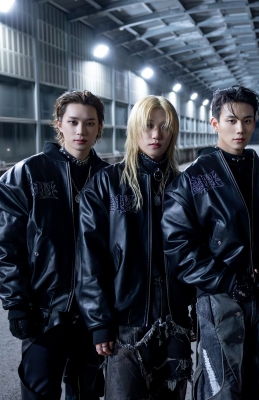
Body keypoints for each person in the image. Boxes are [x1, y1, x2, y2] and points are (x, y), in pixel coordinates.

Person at [162, 85, 259, 399]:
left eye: (247, 120)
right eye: (231, 120)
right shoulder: (194, 179)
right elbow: (179, 246)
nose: (240, 129)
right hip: (219, 301)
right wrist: (226, 280)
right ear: (215, 123)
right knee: (222, 388)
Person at [0, 90, 107, 399]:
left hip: (94, 314)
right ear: (59, 124)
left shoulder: (109, 178)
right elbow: (6, 245)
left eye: (90, 123)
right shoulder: (27, 174)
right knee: (39, 390)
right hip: (44, 310)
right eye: (73, 122)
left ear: (99, 127)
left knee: (87, 391)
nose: (81, 131)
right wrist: (16, 302)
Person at [77, 95, 193, 399]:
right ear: (134, 129)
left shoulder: (184, 185)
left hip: (174, 322)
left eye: (164, 127)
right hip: (124, 323)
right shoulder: (106, 184)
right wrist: (99, 322)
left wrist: (194, 311)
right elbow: (90, 260)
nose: (156, 135)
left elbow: (196, 253)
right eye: (148, 125)